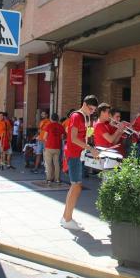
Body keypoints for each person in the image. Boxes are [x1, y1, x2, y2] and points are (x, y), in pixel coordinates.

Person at [61, 95, 100, 230]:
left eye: (93, 110)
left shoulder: (87, 117)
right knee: (76, 186)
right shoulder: (76, 116)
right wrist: (90, 148)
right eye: (90, 108)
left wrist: (91, 146)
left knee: (75, 186)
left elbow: (86, 135)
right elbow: (73, 138)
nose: (91, 111)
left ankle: (66, 217)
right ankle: (67, 219)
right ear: (84, 104)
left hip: (79, 154)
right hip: (74, 154)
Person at [43, 113, 65, 184]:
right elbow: (62, 138)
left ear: (51, 119)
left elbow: (44, 137)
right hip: (57, 147)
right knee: (56, 164)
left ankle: (49, 179)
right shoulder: (61, 126)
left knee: (48, 164)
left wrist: (48, 141)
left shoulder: (48, 126)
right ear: (58, 119)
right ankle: (57, 179)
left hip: (49, 147)